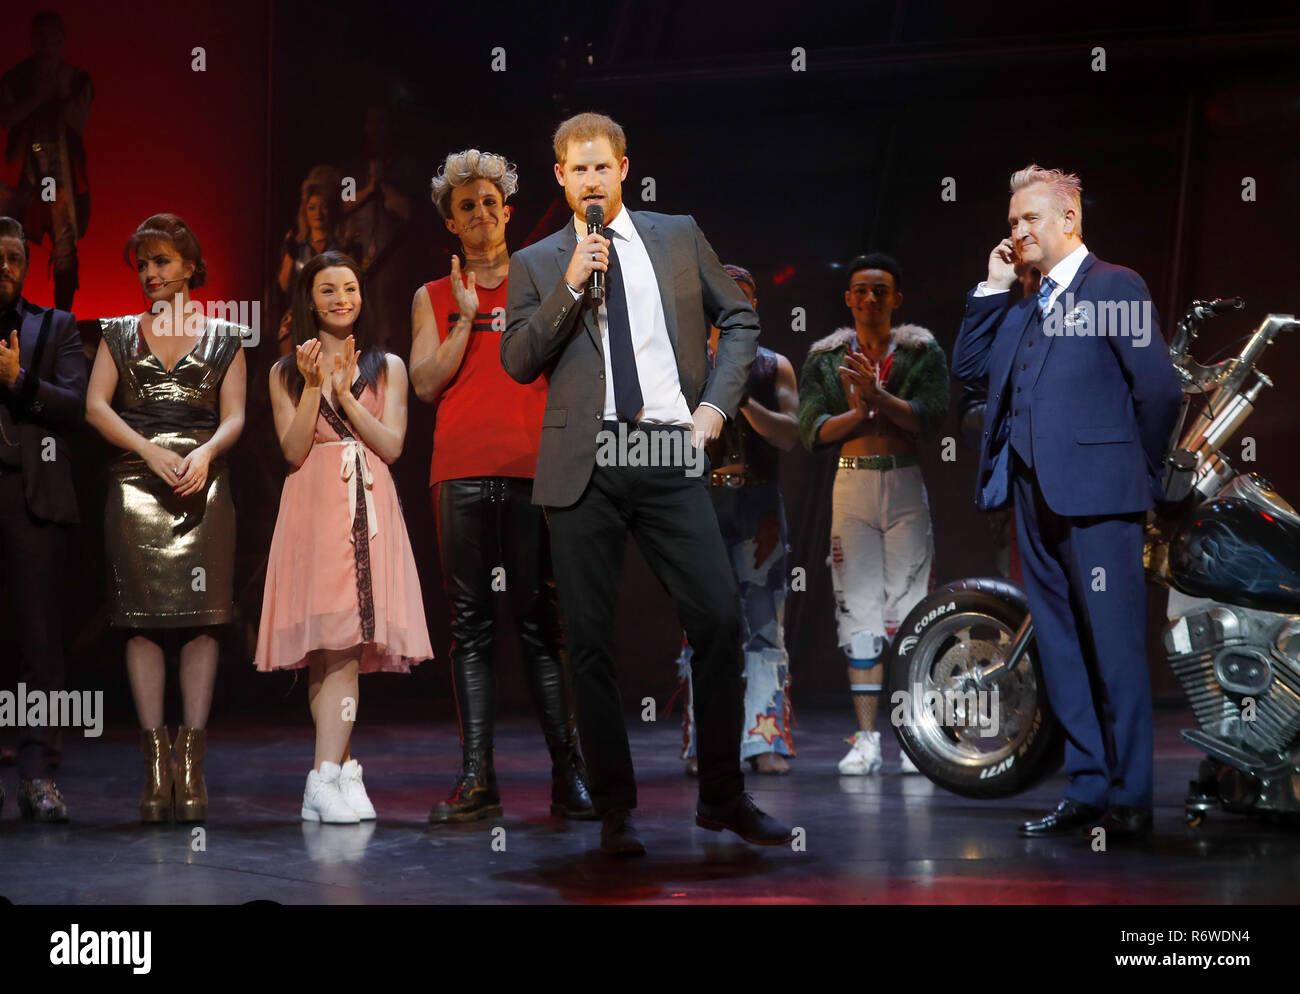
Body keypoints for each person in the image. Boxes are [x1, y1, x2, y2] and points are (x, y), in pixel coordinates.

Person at [503, 111, 793, 855]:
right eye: (578, 169)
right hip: (585, 462)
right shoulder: (539, 261)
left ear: (624, 168)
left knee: (720, 621)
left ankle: (722, 797)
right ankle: (615, 811)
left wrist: (713, 410)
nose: (592, 180)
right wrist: (571, 287)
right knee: (592, 644)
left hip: (668, 450)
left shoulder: (675, 234)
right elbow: (517, 361)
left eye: (604, 166)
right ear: (560, 177)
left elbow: (740, 320)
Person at [952, 164, 1181, 840]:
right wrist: (992, 288)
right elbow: (968, 372)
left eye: (1030, 220)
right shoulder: (1021, 303)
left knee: (1113, 649)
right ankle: (1087, 789)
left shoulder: (1114, 285)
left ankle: (1131, 796)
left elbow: (1159, 391)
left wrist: (1132, 471)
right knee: (1059, 647)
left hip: (1100, 499)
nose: (1017, 232)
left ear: (1069, 221)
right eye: (1012, 222)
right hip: (1031, 497)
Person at [411, 148, 593, 822]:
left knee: (543, 627)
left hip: (533, 469)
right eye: (468, 207)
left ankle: (568, 779)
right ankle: (477, 782)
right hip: (458, 470)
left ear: (508, 213)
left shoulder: (546, 280)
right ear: (452, 225)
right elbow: (426, 383)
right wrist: (464, 317)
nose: (482, 213)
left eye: (491, 203)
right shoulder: (431, 295)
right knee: (471, 630)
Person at [256, 250, 433, 824]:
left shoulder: (388, 367)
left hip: (367, 507)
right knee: (329, 647)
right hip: (314, 507)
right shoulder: (283, 371)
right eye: (327, 290)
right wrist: (312, 387)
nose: (340, 299)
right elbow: (292, 449)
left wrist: (349, 395)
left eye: (350, 289)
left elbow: (392, 445)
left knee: (348, 646)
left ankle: (337, 773)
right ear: (310, 300)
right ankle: (325, 777)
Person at [85, 214, 247, 822]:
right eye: (143, 265)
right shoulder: (119, 332)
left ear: (189, 267)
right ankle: (156, 770)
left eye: (161, 261)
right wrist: (149, 451)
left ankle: (190, 766)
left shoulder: (227, 334)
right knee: (141, 624)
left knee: (206, 621)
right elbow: (96, 407)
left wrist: (203, 453)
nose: (150, 273)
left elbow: (234, 416)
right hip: (136, 486)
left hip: (204, 484)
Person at [798, 253, 950, 775]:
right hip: (853, 482)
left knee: (913, 609)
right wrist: (859, 412)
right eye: (861, 290)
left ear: (896, 299)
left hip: (904, 480)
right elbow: (811, 429)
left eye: (880, 290)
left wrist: (879, 396)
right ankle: (866, 739)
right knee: (858, 610)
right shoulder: (825, 357)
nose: (870, 299)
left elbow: (930, 418)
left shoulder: (920, 350)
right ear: (848, 298)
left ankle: (914, 736)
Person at [671, 264, 799, 777]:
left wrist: (741, 398)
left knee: (765, 630)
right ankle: (704, 740)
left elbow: (791, 435)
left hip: (758, 505)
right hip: (701, 502)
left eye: (742, 300)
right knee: (703, 626)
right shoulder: (680, 363)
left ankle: (763, 738)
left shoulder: (773, 366)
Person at [0, 215, 85, 821]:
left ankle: (38, 774)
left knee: (41, 644)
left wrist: (20, 381)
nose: (4, 267)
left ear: (26, 268)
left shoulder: (54, 327)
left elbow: (77, 405)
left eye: (13, 257)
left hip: (33, 500)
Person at [0, 11, 94, 312]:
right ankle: (10, 314)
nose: (47, 42)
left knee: (65, 246)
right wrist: (38, 98)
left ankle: (62, 321)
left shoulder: (76, 79)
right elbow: (6, 118)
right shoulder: (18, 78)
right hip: (29, 172)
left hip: (61, 171)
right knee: (14, 237)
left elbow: (77, 120)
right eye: (41, 36)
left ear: (61, 39)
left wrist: (57, 96)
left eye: (53, 36)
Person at [275, 165, 361, 355]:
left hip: (332, 307)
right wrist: (291, 252)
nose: (318, 213)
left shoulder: (340, 246)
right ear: (305, 212)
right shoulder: (297, 246)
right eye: (312, 207)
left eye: (323, 207)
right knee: (286, 329)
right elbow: (283, 285)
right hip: (300, 309)